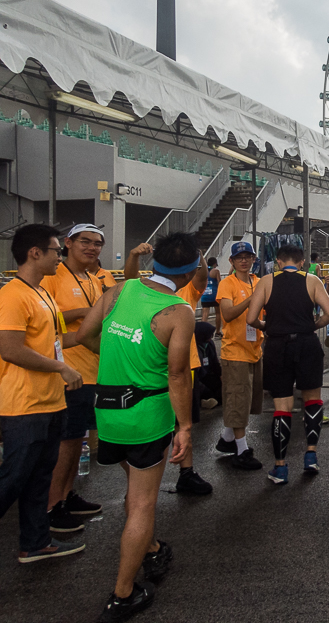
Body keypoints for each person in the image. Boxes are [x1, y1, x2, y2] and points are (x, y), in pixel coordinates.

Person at [76, 232, 200, 620]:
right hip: (146, 414)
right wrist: (185, 427)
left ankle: (149, 547)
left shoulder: (119, 290)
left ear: (155, 261)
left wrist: (115, 351)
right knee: (143, 503)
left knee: (136, 488)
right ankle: (123, 593)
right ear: (190, 271)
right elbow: (178, 375)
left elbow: (85, 335)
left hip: (107, 412)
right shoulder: (179, 312)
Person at [0, 224, 85, 564]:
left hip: (51, 401)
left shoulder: (43, 294)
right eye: (55, 251)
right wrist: (61, 369)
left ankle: (35, 542)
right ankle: (34, 541)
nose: (59, 258)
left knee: (38, 478)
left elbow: (57, 342)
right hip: (24, 404)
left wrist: (101, 325)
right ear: (35, 252)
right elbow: (10, 349)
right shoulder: (12, 296)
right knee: (13, 477)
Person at [125, 243, 213, 496]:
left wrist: (198, 254)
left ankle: (186, 472)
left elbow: (202, 276)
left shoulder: (189, 291)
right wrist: (132, 255)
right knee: (155, 424)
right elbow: (130, 279)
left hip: (186, 366)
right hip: (151, 365)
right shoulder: (143, 288)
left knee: (183, 422)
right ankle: (141, 479)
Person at [247, 244, 329, 484]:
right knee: (312, 399)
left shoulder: (266, 282)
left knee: (282, 406)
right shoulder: (312, 280)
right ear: (301, 262)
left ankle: (280, 467)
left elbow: (251, 318)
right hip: (307, 344)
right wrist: (312, 326)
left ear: (278, 262)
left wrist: (268, 327)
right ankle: (311, 455)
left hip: (277, 346)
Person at [40, 224, 105, 533]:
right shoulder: (52, 277)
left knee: (77, 440)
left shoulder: (93, 279)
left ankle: (66, 495)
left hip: (91, 371)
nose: (91, 248)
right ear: (68, 243)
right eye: (85, 242)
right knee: (65, 443)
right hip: (67, 371)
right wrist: (82, 312)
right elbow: (45, 321)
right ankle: (52, 506)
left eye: (97, 244)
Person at [214, 241, 264, 471]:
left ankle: (226, 439)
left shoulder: (259, 282)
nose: (244, 260)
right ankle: (241, 449)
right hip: (235, 351)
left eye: (248, 256)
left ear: (254, 259)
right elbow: (227, 313)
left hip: (255, 349)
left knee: (247, 400)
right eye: (239, 257)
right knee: (238, 398)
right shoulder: (227, 283)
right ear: (231, 261)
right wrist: (250, 300)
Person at [199, 258, 221, 337]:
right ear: (215, 264)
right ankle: (218, 332)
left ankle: (202, 333)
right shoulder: (216, 271)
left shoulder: (203, 271)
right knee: (218, 313)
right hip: (215, 295)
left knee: (205, 314)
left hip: (205, 295)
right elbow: (220, 283)